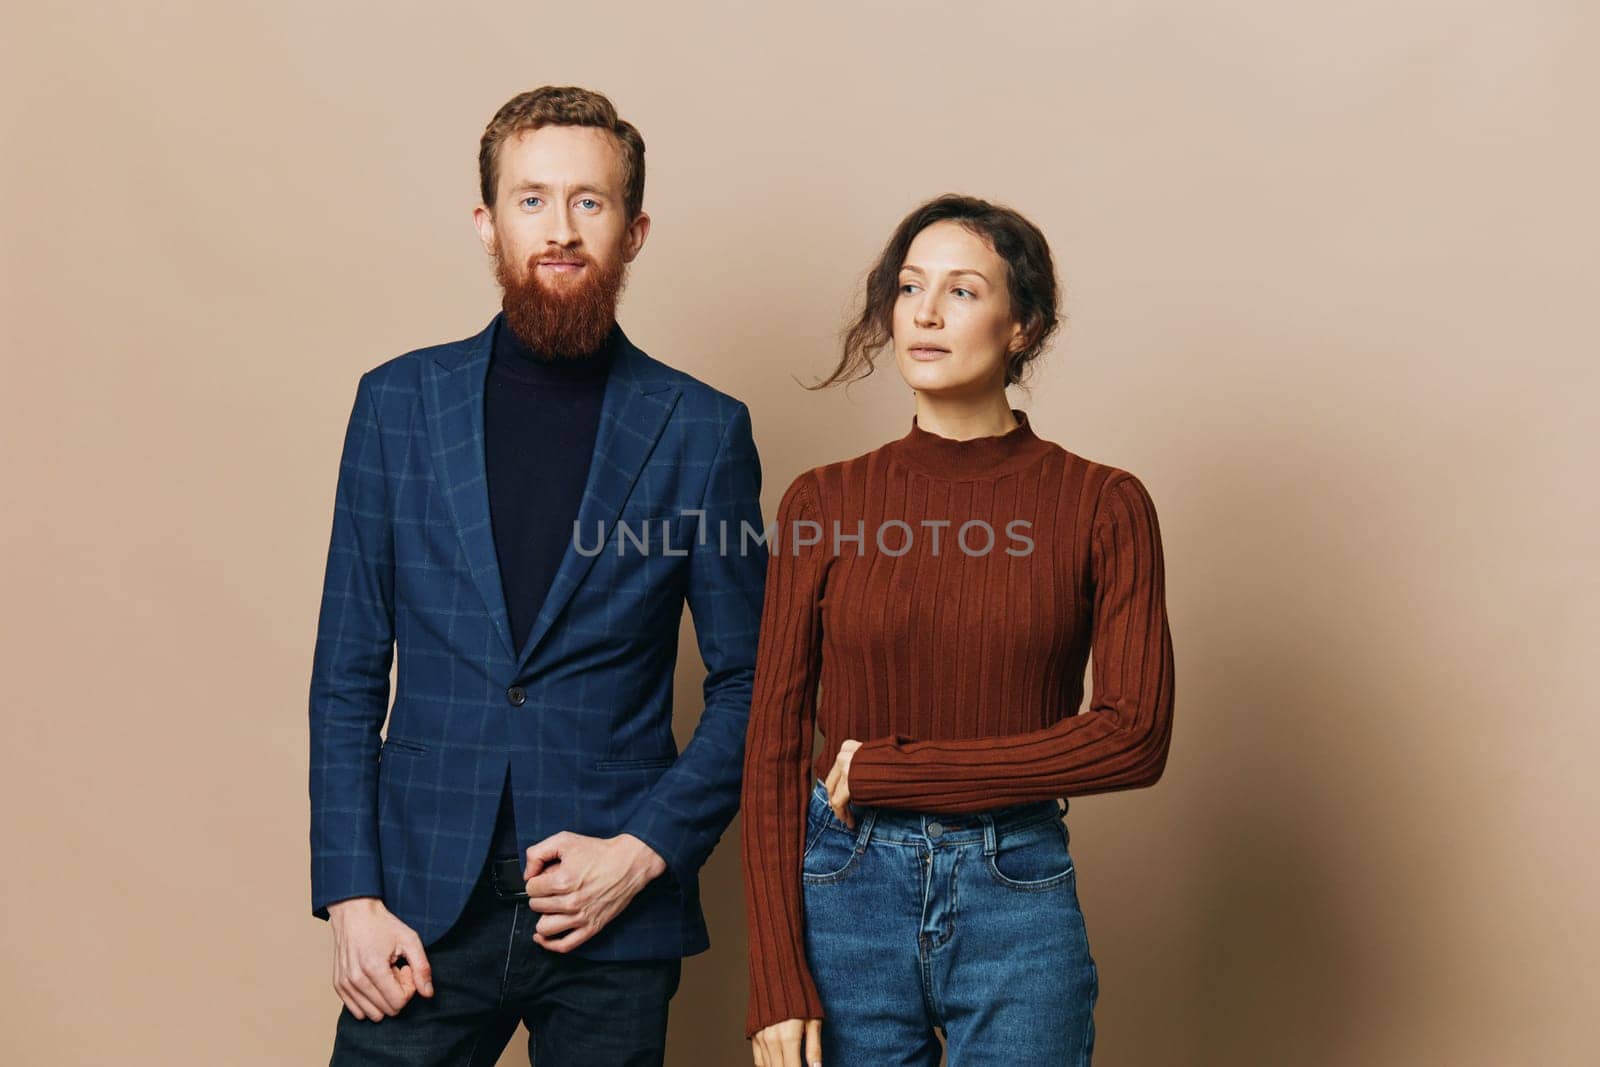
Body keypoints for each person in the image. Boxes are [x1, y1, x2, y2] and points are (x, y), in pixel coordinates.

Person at [308, 85, 767, 1065]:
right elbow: (347, 669)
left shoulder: (702, 430)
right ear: (486, 222)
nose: (559, 229)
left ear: (634, 230)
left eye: (589, 202)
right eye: (531, 200)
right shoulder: (395, 404)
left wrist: (644, 849)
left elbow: (753, 680)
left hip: (612, 914)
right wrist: (351, 894)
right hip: (419, 910)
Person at [740, 194, 1175, 1066]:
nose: (927, 312)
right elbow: (774, 750)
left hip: (1017, 890)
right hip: (846, 890)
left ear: (1024, 328)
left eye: (963, 291)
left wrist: (896, 767)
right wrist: (776, 978)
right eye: (909, 287)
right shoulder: (824, 503)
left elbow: (1135, 738)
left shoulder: (1103, 503)